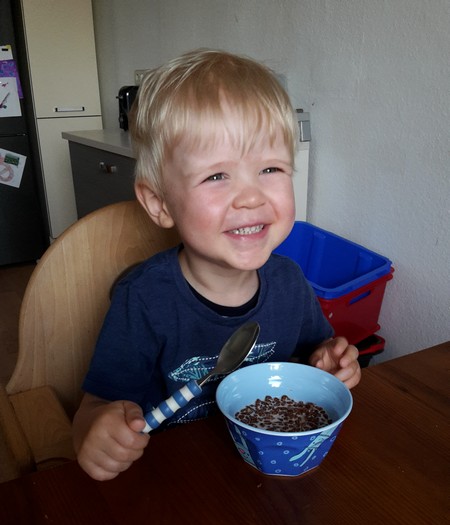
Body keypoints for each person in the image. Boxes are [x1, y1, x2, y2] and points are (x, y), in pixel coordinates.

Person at [73, 49, 361, 481]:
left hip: (266, 472)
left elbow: (313, 355)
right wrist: (96, 433)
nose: (250, 197)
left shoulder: (289, 282)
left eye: (270, 168)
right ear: (159, 203)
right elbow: (93, 409)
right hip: (175, 480)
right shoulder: (144, 299)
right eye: (216, 176)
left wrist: (328, 362)